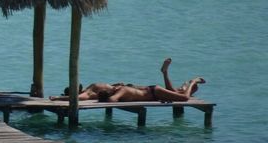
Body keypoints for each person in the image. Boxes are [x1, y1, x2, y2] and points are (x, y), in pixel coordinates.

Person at [50, 58, 205, 103]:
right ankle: (184, 84)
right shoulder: (95, 87)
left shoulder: (91, 93)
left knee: (184, 97)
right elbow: (74, 98)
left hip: (153, 92)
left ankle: (192, 82)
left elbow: (112, 101)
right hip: (151, 90)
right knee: (179, 93)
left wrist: (108, 99)